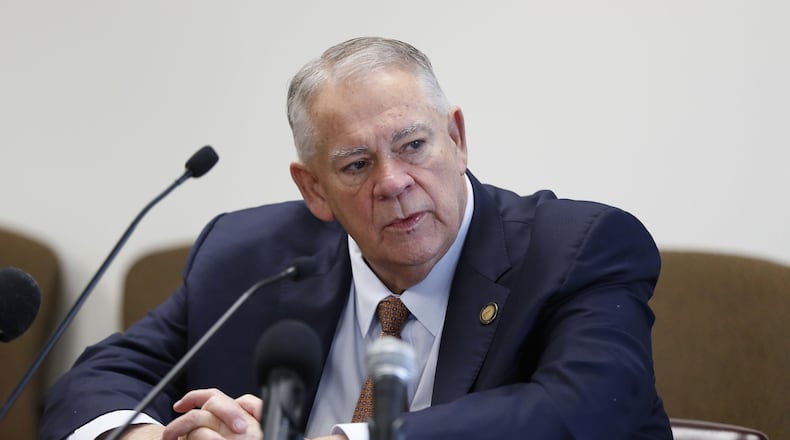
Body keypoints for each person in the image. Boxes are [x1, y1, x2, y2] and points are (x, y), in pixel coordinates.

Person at [41, 37, 672, 440]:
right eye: (355, 165)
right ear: (313, 187)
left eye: (413, 145)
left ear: (456, 137)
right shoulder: (248, 258)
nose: (394, 182)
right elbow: (98, 380)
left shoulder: (576, 249)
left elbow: (588, 409)